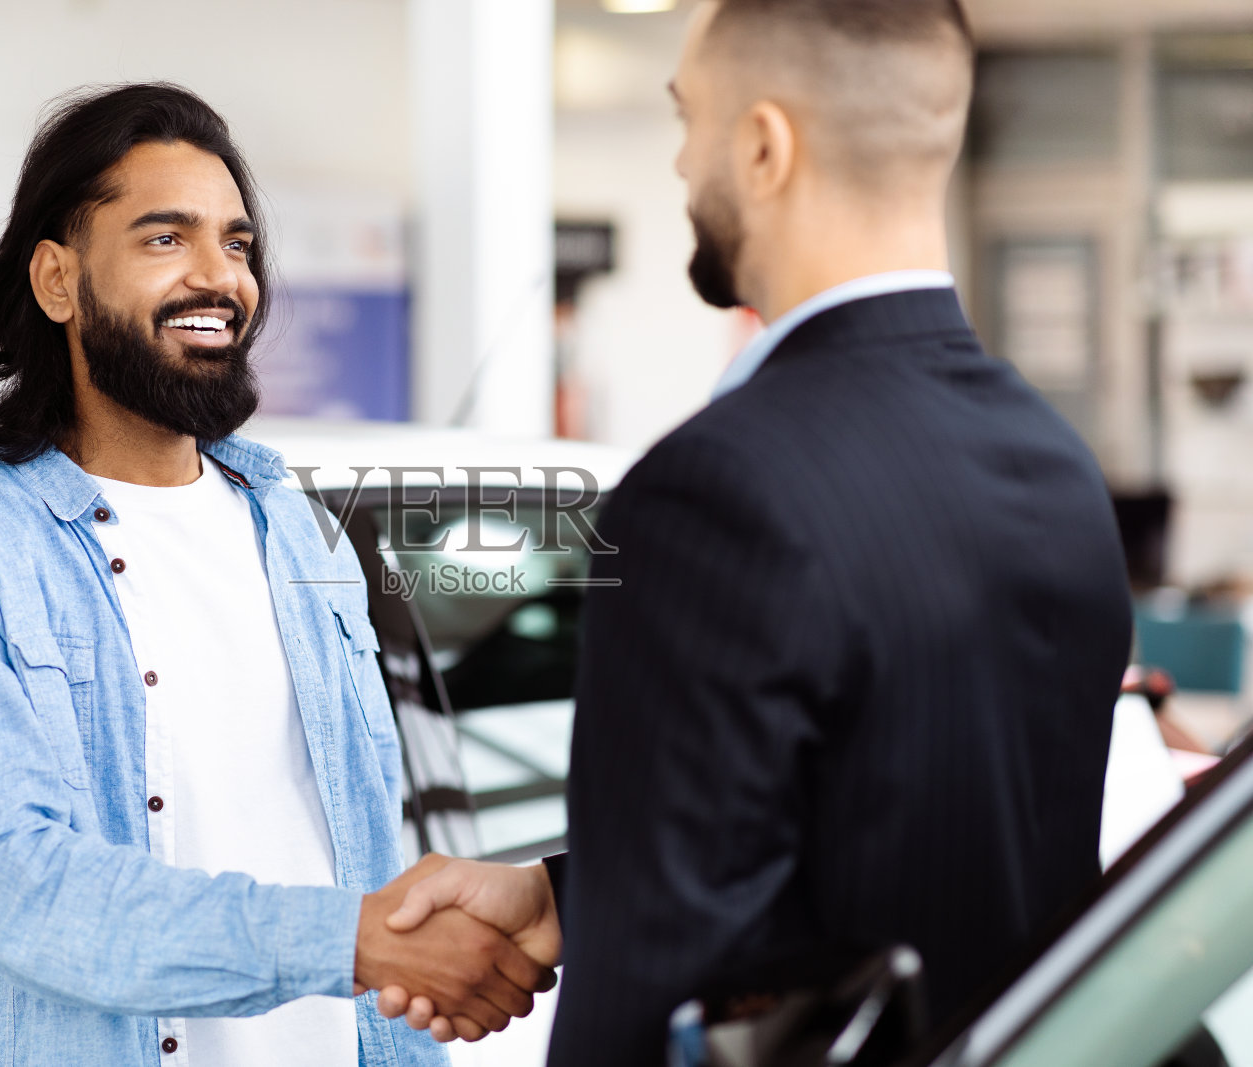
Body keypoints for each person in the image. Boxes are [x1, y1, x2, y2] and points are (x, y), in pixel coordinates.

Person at [376, 1, 1133, 1062]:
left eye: (689, 120)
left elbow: (657, 992)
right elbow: (913, 844)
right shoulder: (1055, 465)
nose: (683, 165)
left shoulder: (713, 492)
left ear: (765, 146)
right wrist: (559, 896)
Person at [0, 83, 551, 1067]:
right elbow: (25, 886)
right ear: (57, 280)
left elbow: (366, 838)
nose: (218, 276)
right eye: (164, 239)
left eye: (236, 244)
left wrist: (406, 949)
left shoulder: (298, 525)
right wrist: (348, 938)